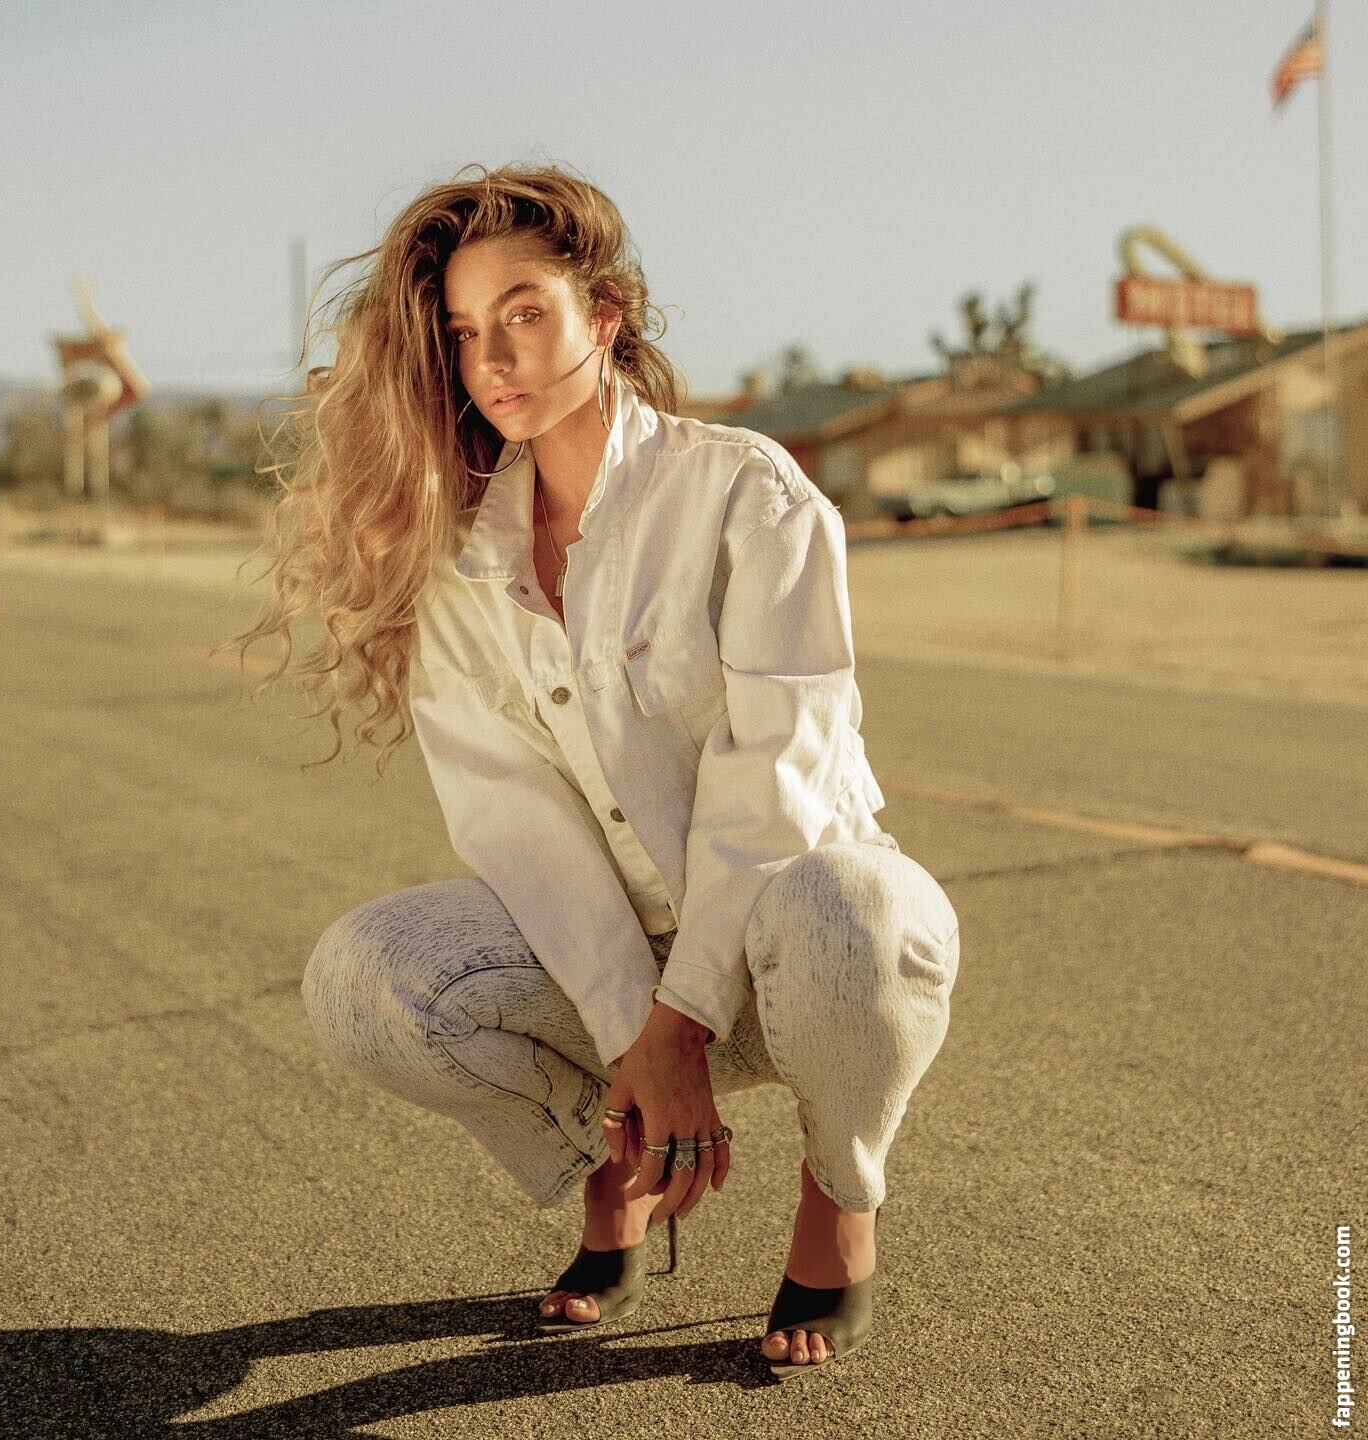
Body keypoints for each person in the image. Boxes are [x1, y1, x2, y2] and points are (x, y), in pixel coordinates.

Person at [229, 161, 962, 1381]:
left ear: (604, 316)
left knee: (852, 910)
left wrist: (681, 1022)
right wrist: (636, 1035)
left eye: (525, 312)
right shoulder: (460, 554)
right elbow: (511, 816)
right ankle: (616, 1153)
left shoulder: (746, 492)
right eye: (466, 332)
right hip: (614, 955)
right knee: (365, 979)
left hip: (794, 944)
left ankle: (840, 1193)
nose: (495, 358)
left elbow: (777, 780)